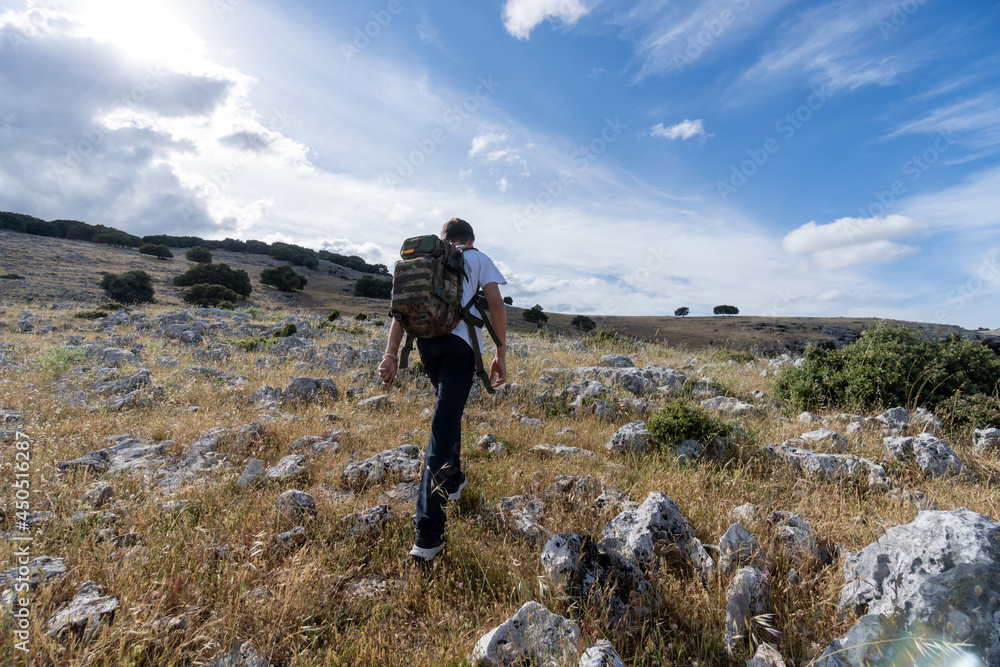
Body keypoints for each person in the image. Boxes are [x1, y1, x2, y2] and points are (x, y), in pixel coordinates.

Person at [378, 218, 507, 561]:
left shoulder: (428, 262)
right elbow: (496, 304)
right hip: (459, 350)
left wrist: (391, 353)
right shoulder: (478, 258)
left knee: (448, 416)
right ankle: (428, 534)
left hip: (427, 345)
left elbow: (400, 310)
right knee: (442, 428)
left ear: (445, 239)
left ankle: (454, 480)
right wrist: (500, 353)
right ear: (471, 239)